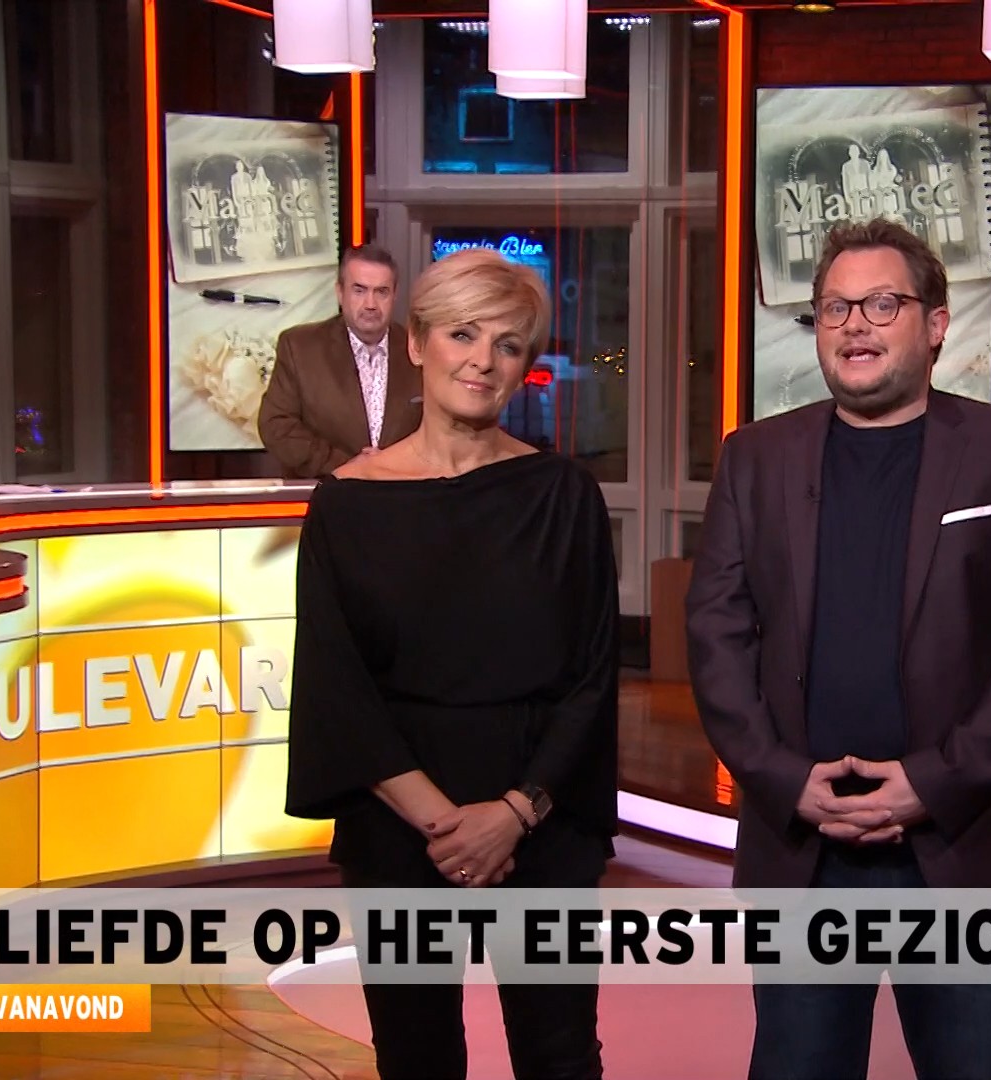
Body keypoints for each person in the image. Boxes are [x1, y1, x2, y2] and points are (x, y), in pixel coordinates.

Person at [685, 218, 991, 1080]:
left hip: (964, 847)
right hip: (805, 848)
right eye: (834, 308)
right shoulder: (754, 458)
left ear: (935, 325)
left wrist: (934, 782)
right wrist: (783, 778)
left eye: (880, 304)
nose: (854, 326)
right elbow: (716, 634)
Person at [284, 248, 618, 1080]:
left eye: (508, 344)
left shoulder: (564, 495)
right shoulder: (346, 504)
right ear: (416, 343)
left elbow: (592, 677)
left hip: (541, 820)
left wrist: (514, 813)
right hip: (399, 826)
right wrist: (444, 824)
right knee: (416, 1057)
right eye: (463, 334)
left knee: (561, 1058)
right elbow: (336, 689)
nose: (483, 361)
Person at [258, 244, 423, 477]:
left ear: (395, 295)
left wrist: (393, 464)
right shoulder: (300, 347)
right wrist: (348, 466)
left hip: (403, 489)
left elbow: (439, 429)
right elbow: (277, 425)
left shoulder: (420, 350)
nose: (370, 304)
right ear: (340, 292)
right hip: (329, 487)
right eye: (359, 290)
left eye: (381, 292)